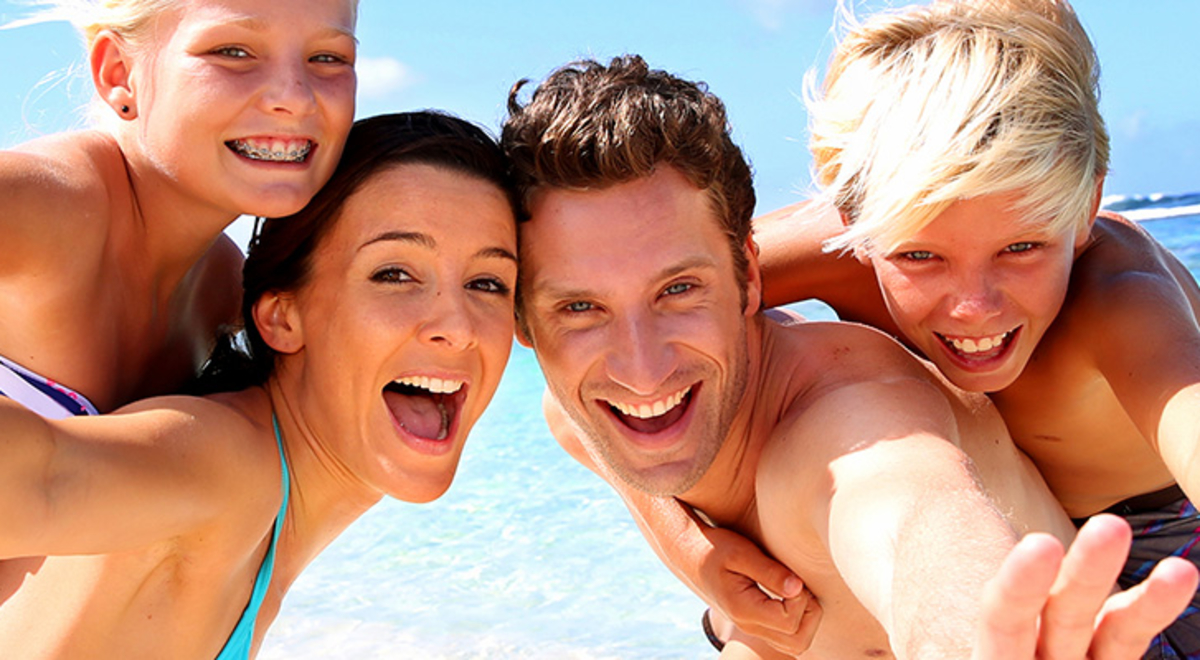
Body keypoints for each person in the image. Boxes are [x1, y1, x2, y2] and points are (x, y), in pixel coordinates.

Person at [501, 54, 1199, 659]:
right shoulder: (856, 236)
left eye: (678, 289)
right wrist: (691, 551)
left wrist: (971, 638)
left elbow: (914, 510)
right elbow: (564, 408)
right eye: (578, 308)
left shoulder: (1114, 299)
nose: (973, 304)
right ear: (527, 323)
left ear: (747, 277)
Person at [0, 111, 519, 659]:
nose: (458, 328)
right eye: (393, 274)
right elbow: (39, 480)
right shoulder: (227, 465)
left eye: (487, 283)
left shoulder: (266, 514)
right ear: (282, 318)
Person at [0, 0, 357, 416]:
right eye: (233, 52)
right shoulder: (39, 204)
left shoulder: (227, 292)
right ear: (120, 73)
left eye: (327, 58)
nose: (296, 98)